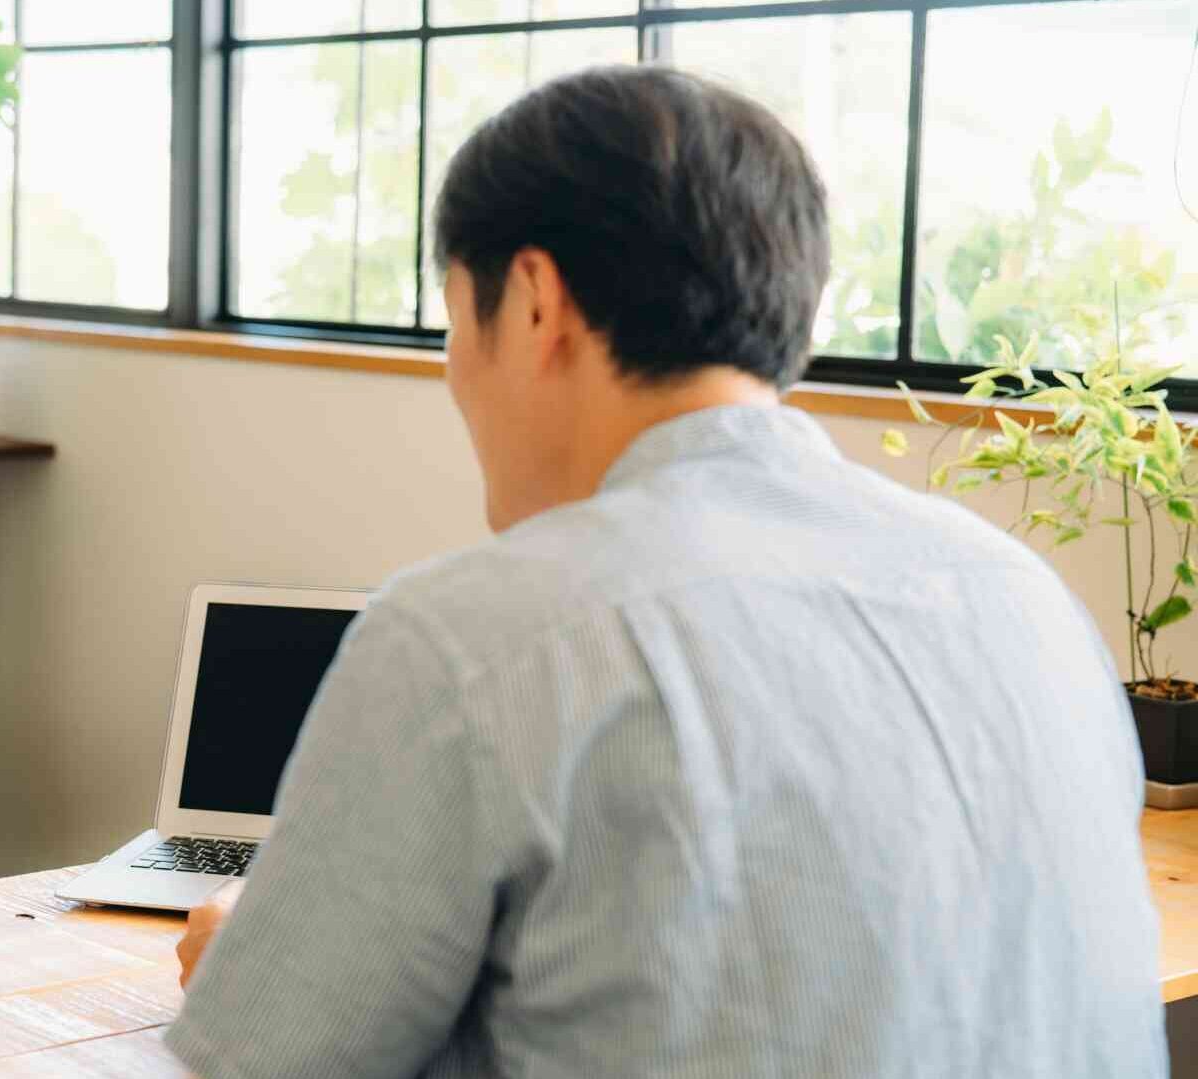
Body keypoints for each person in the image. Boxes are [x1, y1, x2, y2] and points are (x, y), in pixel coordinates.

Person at [165, 65, 1165, 1078]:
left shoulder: (475, 637)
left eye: (454, 319)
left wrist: (263, 965)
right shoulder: (1026, 598)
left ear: (535, 300)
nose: (453, 364)